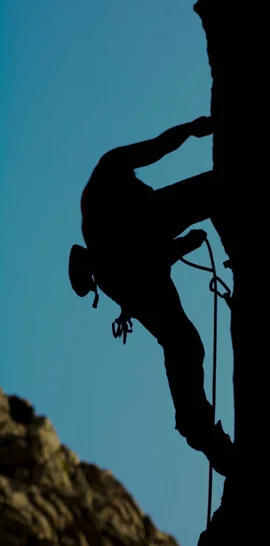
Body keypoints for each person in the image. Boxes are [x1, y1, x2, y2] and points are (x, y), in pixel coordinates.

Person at [79, 116, 232, 476]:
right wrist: (191, 129)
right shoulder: (111, 178)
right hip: (138, 254)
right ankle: (200, 430)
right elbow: (159, 147)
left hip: (136, 267)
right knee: (183, 342)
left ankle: (201, 432)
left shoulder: (107, 186)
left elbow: (146, 258)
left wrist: (181, 246)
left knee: (182, 342)